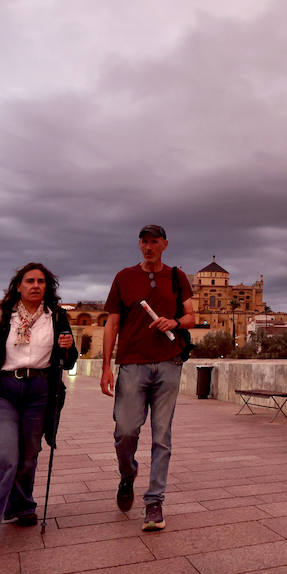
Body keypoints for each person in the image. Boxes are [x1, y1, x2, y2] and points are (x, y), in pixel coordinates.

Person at [0, 262, 77, 554]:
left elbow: (68, 361)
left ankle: (21, 505)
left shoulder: (57, 317)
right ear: (18, 286)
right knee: (4, 454)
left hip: (40, 390)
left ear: (48, 287)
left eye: (41, 281)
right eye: (29, 281)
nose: (35, 285)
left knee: (29, 453)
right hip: (2, 390)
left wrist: (69, 346)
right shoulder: (2, 316)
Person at [101, 224, 195, 532]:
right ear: (139, 244)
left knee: (161, 435)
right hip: (132, 364)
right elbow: (112, 323)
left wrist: (175, 321)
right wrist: (106, 366)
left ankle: (154, 501)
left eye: (154, 241)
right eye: (144, 241)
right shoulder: (124, 278)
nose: (148, 246)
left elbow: (192, 317)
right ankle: (127, 473)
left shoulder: (178, 278)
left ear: (165, 244)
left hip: (169, 363)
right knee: (125, 430)